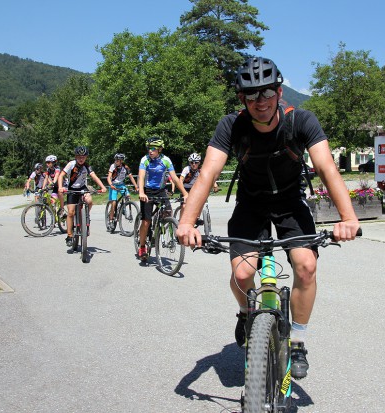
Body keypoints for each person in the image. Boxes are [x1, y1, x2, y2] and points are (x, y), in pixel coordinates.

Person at [176, 57, 360, 380]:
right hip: (251, 203)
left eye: (266, 93)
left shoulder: (301, 121)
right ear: (241, 99)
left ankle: (299, 341)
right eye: (251, 96)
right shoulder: (231, 126)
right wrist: (186, 223)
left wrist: (348, 217)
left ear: (278, 91)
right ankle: (247, 314)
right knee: (242, 273)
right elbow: (208, 172)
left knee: (306, 266)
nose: (259, 102)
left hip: (290, 202)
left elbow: (327, 167)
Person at [136, 137, 189, 261]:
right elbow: (141, 176)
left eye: (153, 148)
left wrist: (185, 193)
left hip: (161, 190)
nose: (150, 151)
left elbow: (175, 178)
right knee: (146, 222)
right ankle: (142, 246)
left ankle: (158, 229)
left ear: (159, 149)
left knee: (167, 213)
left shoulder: (166, 160)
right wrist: (141, 192)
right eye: (149, 148)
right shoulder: (145, 160)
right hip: (147, 191)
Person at [58, 146, 108, 247]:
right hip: (72, 189)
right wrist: (60, 187)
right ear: (76, 156)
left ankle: (85, 216)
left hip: (82, 188)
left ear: (86, 157)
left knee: (89, 201)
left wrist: (103, 187)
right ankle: (69, 235)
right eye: (79, 157)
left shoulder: (87, 166)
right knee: (71, 213)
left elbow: (94, 176)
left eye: (83, 157)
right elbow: (61, 175)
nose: (81, 159)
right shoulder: (71, 164)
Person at [106, 153, 139, 231]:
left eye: (118, 160)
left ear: (121, 161)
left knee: (128, 196)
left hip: (121, 184)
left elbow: (131, 177)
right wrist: (110, 184)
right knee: (114, 203)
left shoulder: (125, 167)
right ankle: (111, 220)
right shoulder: (113, 166)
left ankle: (123, 206)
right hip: (114, 185)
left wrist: (136, 186)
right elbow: (109, 177)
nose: (116, 161)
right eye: (116, 160)